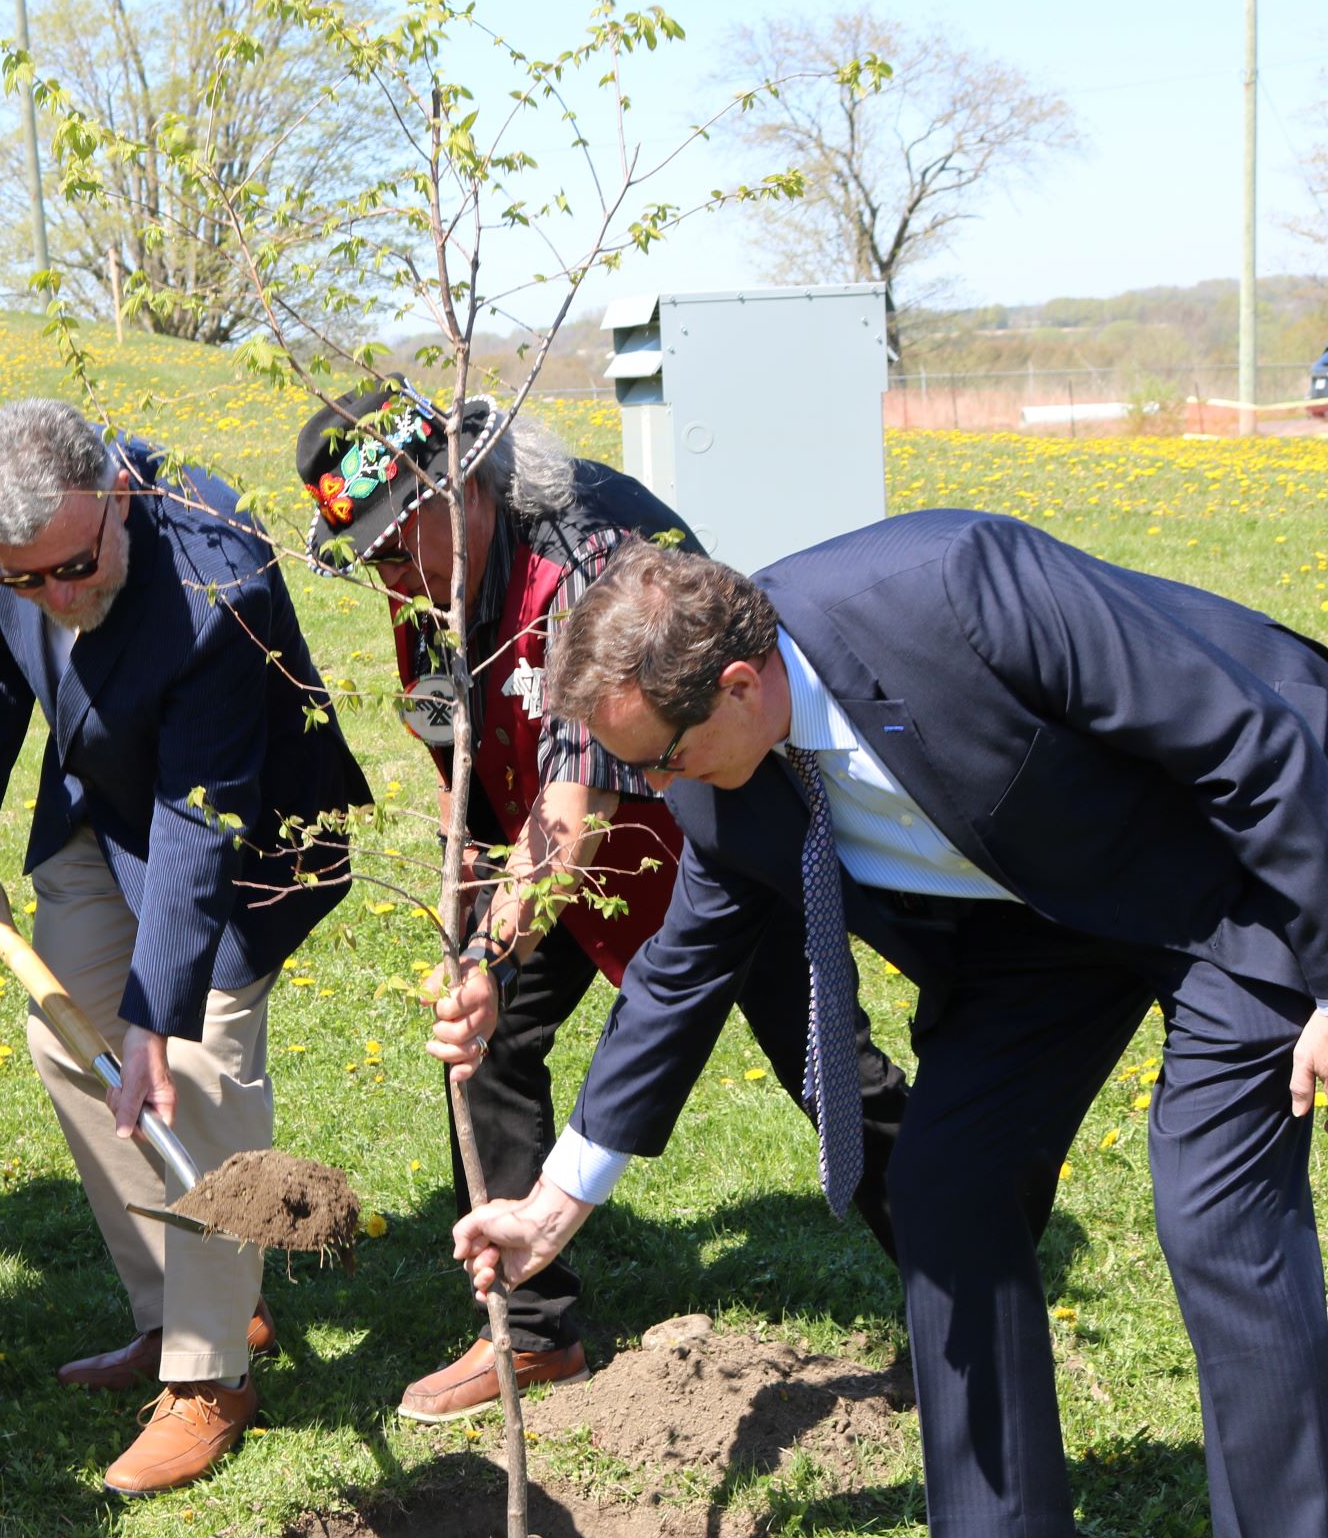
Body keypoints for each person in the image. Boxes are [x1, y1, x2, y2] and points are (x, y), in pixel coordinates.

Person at [448, 517, 1328, 1538]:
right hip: (1036, 921)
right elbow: (681, 976)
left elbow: (1245, 740)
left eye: (665, 758)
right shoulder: (721, 783)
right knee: (942, 1183)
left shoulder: (958, 591)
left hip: (1240, 866)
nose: (662, 790)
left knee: (1216, 1217)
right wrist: (551, 1205)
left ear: (738, 683)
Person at [296, 382, 919, 1424]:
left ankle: (955, 1289)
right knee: (487, 1043)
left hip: (709, 841)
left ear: (456, 490)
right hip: (549, 860)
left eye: (395, 548)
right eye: (368, 561)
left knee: (830, 1070)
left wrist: (492, 955)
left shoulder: (593, 560)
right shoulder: (428, 592)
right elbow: (463, 777)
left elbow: (574, 820)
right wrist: (469, 947)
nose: (389, 578)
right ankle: (531, 1333)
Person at [0, 398, 369, 1496]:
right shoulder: (11, 535)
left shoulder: (216, 576)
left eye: (76, 566)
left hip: (239, 833)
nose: (57, 599)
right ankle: (180, 1313)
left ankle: (212, 1381)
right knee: (70, 1041)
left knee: (191, 1071)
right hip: (95, 808)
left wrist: (160, 1012)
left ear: (118, 494)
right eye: (28, 579)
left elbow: (198, 818)